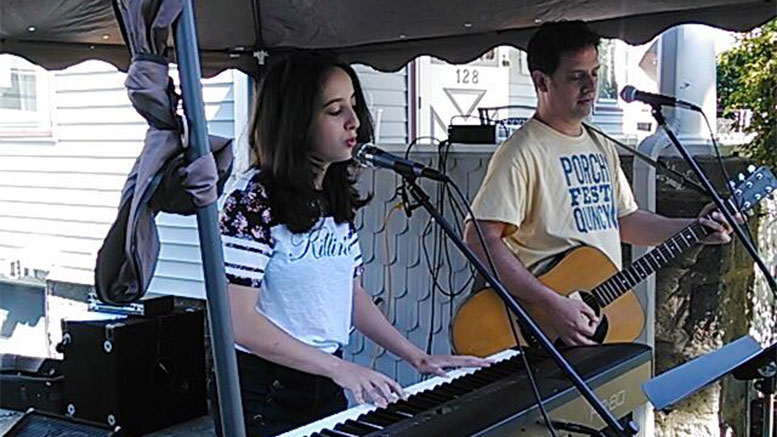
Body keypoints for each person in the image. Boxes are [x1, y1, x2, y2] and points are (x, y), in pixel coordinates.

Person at [217, 52, 489, 437]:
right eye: (334, 110)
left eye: (354, 106)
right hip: (267, 389)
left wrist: (416, 356)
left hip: (325, 377)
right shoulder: (252, 199)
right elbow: (238, 322)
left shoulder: (330, 193)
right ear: (295, 122)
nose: (354, 122)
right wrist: (342, 370)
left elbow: (351, 293)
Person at [464, 21, 738, 347]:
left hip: (590, 320)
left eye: (595, 72)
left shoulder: (600, 145)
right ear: (542, 81)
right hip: (536, 328)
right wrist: (550, 303)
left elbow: (626, 221)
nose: (591, 87)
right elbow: (480, 239)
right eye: (577, 76)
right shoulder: (521, 153)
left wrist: (695, 229)